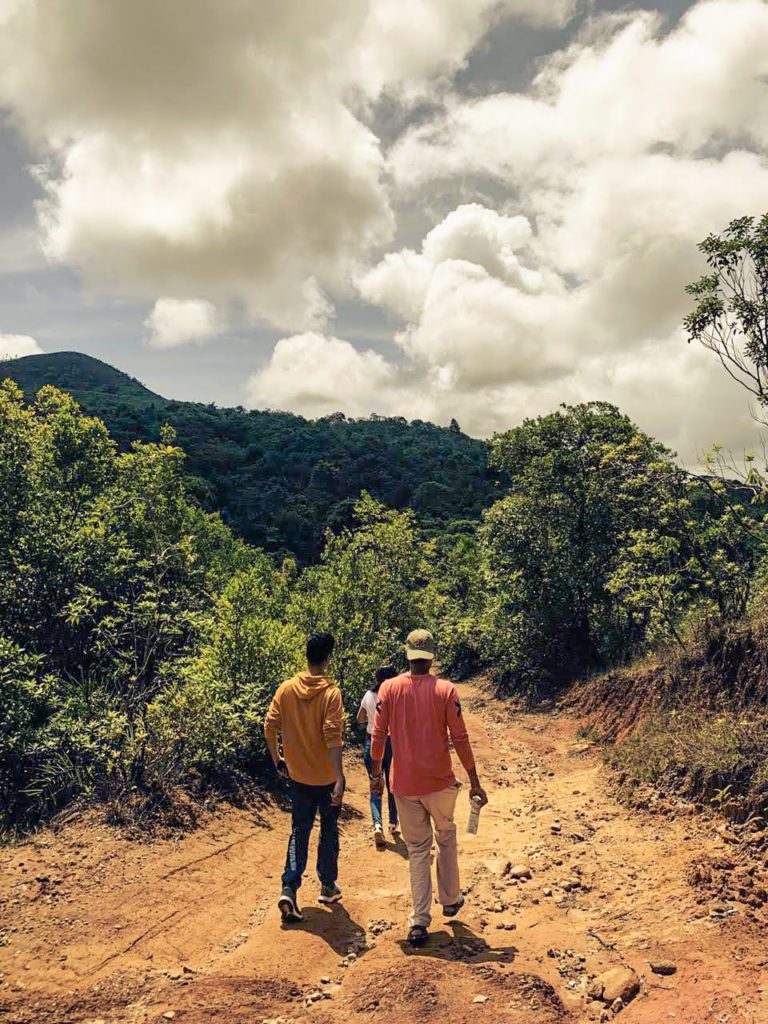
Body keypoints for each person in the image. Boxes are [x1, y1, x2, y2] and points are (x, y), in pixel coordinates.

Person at [370, 628, 488, 947]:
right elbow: (460, 738)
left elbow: (378, 735)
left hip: (404, 785)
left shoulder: (389, 689)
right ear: (432, 655)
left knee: (418, 850)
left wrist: (376, 774)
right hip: (439, 783)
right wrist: (474, 780)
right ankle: (450, 899)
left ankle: (419, 921)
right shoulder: (446, 690)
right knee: (446, 837)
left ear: (407, 654)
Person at [264, 632, 345, 924]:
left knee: (299, 832)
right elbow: (332, 734)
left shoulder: (286, 689)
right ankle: (327, 885)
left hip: (298, 776)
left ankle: (290, 886)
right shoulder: (331, 693)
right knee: (329, 829)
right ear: (327, 659)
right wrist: (339, 775)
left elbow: (269, 726)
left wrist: (278, 760)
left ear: (307, 655)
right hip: (325, 777)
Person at [357, 664, 399, 849]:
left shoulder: (368, 695)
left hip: (372, 741)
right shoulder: (396, 696)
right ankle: (393, 823)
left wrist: (371, 716)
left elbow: (359, 718)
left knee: (375, 783)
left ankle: (377, 825)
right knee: (393, 784)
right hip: (392, 743)